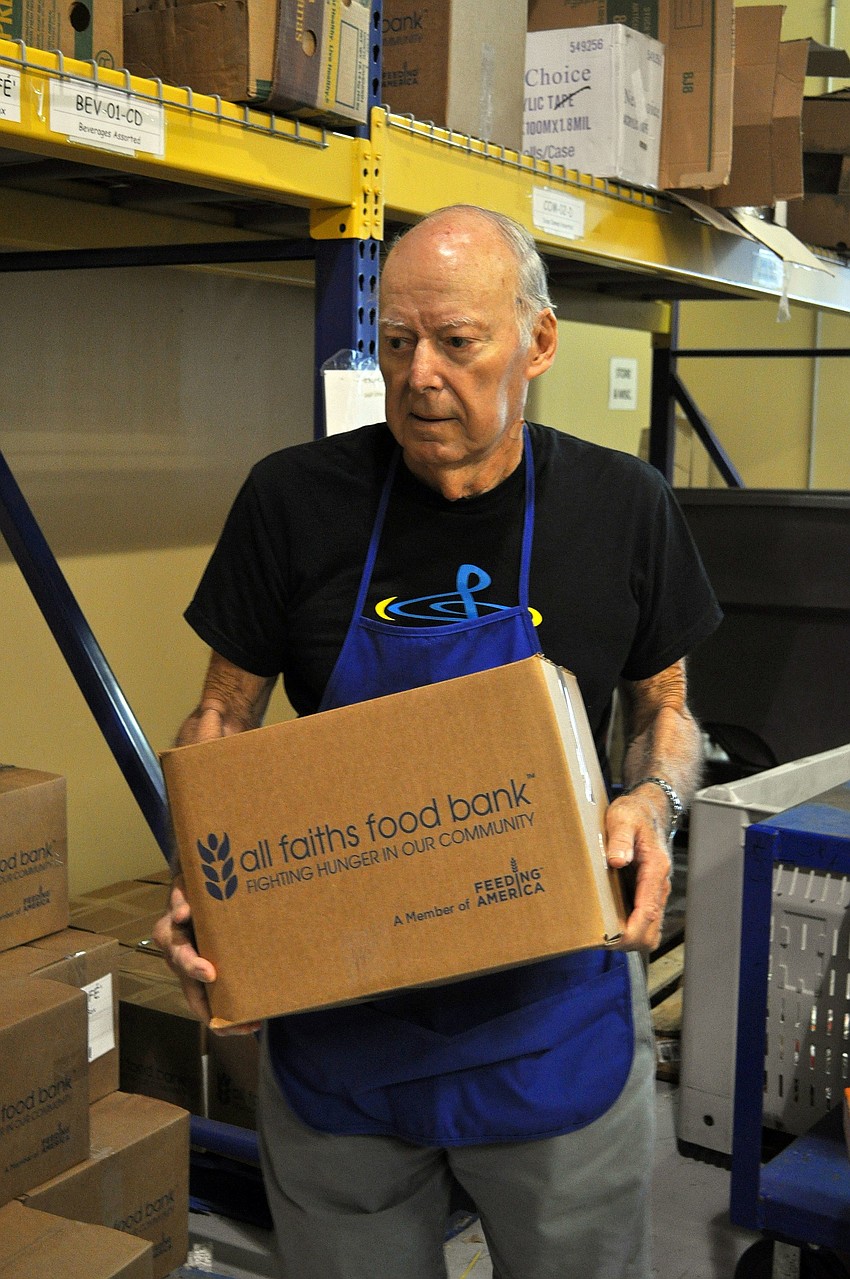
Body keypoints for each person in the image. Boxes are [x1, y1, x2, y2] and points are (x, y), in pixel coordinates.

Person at [154, 204, 722, 1279]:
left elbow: (665, 712)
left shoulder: (622, 506)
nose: (419, 376)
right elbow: (223, 719)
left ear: (537, 341)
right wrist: (201, 875)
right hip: (341, 1018)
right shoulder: (294, 500)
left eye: (457, 342)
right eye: (398, 341)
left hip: (548, 1019)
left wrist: (654, 806)